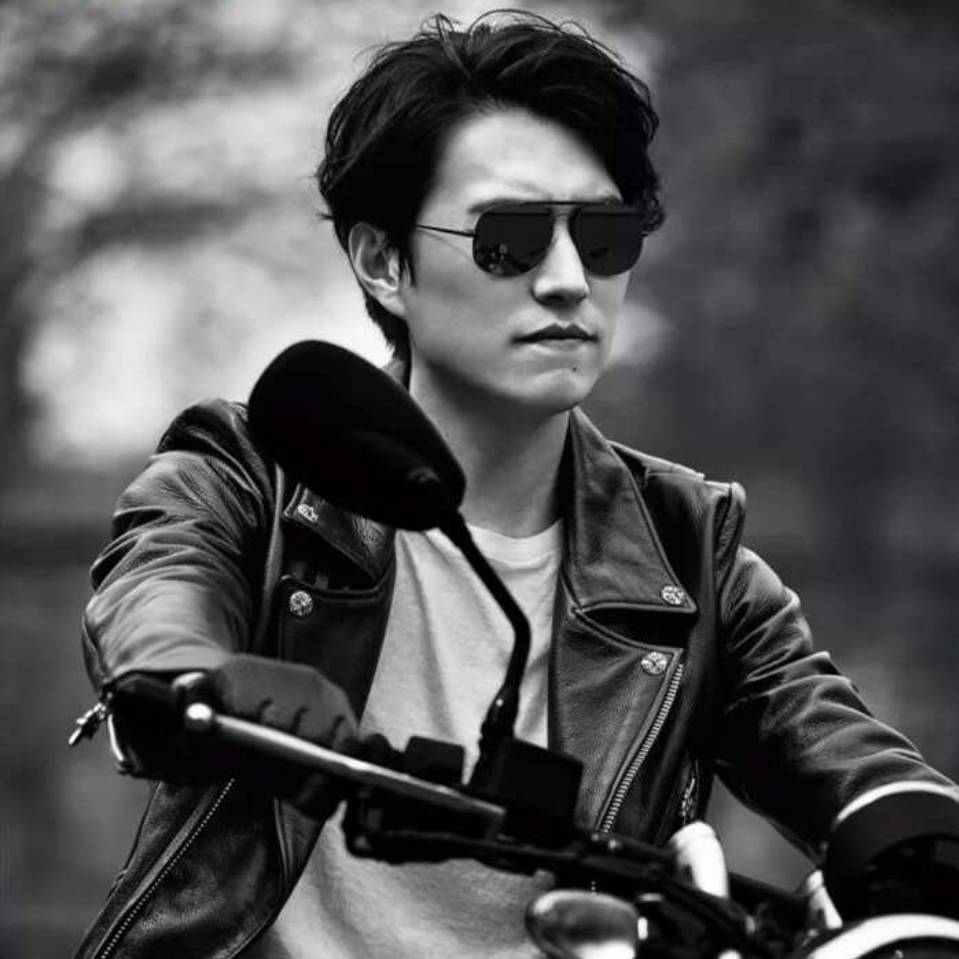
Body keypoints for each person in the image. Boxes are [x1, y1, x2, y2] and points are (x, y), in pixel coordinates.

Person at [73, 10, 955, 958]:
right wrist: (195, 676)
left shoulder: (688, 555)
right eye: (510, 237)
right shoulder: (254, 475)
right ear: (382, 261)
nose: (569, 279)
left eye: (605, 236)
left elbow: (845, 756)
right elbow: (158, 586)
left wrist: (919, 840)